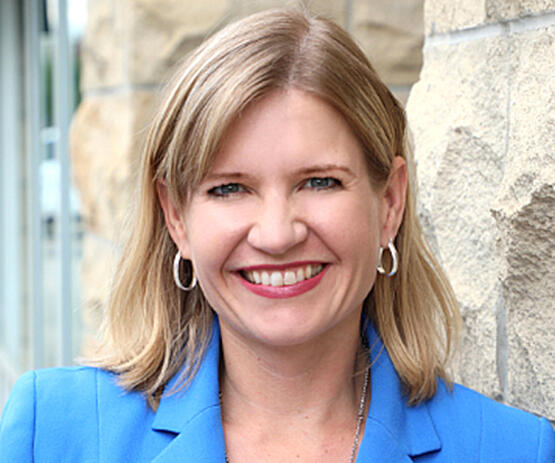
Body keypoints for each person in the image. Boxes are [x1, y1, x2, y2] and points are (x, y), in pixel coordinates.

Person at [0, 8, 553, 463]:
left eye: (319, 181)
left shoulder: (514, 451)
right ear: (175, 216)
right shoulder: (50, 432)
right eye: (229, 189)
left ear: (389, 202)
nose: (276, 233)